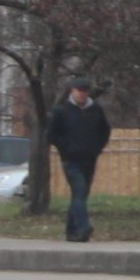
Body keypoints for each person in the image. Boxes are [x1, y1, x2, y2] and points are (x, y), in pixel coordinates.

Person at [44, 81, 112, 243]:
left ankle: (71, 231)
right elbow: (52, 135)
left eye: (85, 91)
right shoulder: (62, 111)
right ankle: (83, 227)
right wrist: (66, 148)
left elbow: (105, 130)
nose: (82, 94)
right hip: (71, 160)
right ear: (72, 91)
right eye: (79, 90)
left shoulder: (95, 110)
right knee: (79, 190)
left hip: (90, 159)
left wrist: (97, 148)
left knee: (80, 195)